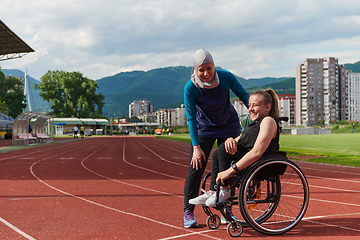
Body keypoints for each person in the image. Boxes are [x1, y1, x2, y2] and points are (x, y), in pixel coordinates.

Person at [183, 49, 249, 228]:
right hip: (204, 128)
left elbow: (244, 96)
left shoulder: (226, 78)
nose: (205, 73)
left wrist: (257, 113)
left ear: (214, 66)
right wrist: (196, 147)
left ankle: (225, 209)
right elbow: (190, 119)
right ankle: (188, 211)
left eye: (209, 68)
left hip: (228, 126)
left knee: (228, 167)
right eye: (201, 70)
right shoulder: (191, 87)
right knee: (196, 166)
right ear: (195, 69)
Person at [189, 89, 280, 208]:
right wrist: (229, 140)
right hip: (248, 160)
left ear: (267, 107)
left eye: (255, 105)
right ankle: (213, 191)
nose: (250, 109)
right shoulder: (253, 125)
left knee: (223, 151)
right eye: (249, 105)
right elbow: (238, 139)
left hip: (258, 162)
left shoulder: (268, 121)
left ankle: (224, 189)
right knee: (219, 151)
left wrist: (230, 171)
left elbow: (257, 152)